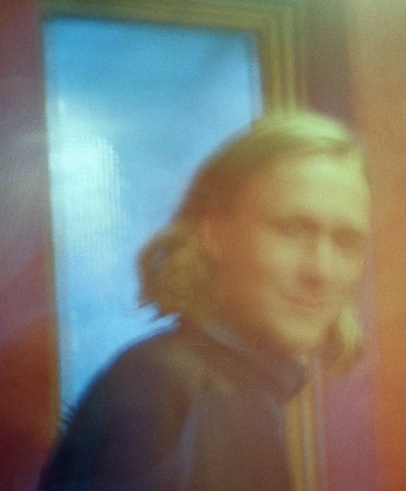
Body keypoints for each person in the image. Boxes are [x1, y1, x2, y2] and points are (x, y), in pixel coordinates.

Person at [40, 111, 372, 490]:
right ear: (215, 235)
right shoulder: (168, 388)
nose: (322, 270)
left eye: (346, 241)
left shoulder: (226, 386)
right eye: (292, 230)